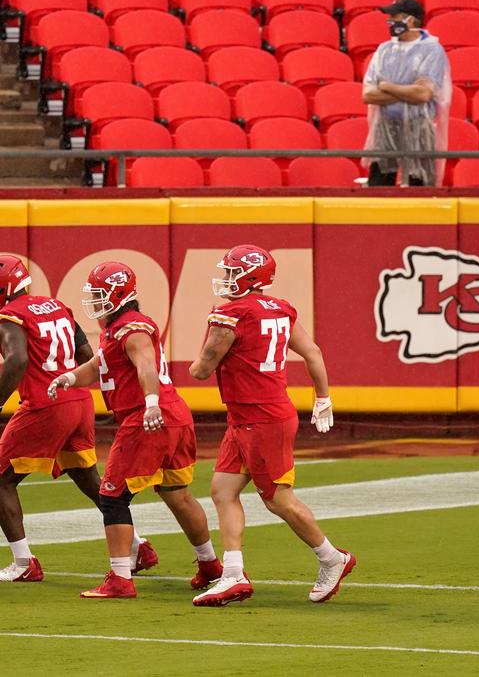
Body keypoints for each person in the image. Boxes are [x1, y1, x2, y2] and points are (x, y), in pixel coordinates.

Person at [188, 245, 351, 607]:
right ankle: (233, 574)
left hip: (261, 419)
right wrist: (323, 397)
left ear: (250, 278)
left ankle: (332, 558)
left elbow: (201, 368)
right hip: (250, 416)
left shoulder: (231, 314)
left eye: (233, 272)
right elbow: (314, 353)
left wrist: (198, 357)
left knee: (279, 501)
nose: (226, 279)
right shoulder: (279, 307)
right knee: (222, 490)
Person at [47, 261, 220, 599]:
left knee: (112, 497)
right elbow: (100, 366)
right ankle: (210, 563)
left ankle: (120, 578)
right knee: (176, 494)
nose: (94, 301)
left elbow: (145, 365)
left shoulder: (132, 328)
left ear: (118, 294)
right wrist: (70, 378)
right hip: (173, 415)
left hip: (147, 417)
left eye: (99, 295)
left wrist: (151, 401)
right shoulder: (119, 327)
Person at [0, 255, 158, 582]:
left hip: (46, 404)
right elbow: (88, 357)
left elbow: (16, 362)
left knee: (1, 479)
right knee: (89, 480)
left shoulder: (10, 315)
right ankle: (138, 546)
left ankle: (24, 561)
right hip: (77, 402)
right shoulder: (55, 305)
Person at [361, 0, 451, 187]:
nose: (390, 22)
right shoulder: (384, 50)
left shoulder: (432, 50)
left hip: (418, 126)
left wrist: (387, 86)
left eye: (394, 17)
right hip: (386, 125)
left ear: (409, 20)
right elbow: (368, 95)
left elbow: (424, 95)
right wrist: (408, 90)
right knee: (379, 183)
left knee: (419, 184)